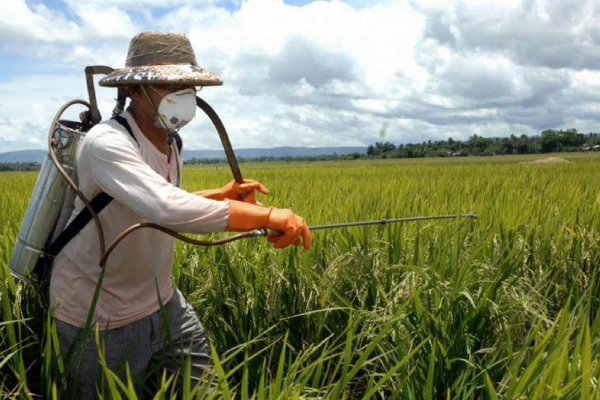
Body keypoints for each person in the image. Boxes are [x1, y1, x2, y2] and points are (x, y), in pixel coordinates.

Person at [49, 31, 311, 398]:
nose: (184, 93)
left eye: (188, 84)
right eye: (171, 84)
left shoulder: (171, 140)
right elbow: (166, 207)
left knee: (207, 390)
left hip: (161, 300)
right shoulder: (107, 142)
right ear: (135, 91)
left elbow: (155, 199)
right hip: (97, 314)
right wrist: (267, 217)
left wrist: (220, 196)